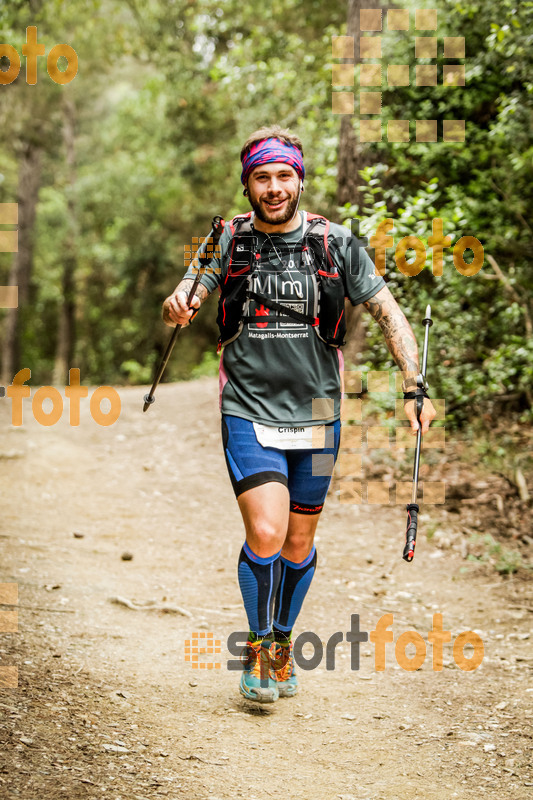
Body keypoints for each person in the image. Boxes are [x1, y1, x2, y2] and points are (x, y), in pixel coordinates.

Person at [162, 125, 436, 703]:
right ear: (248, 185)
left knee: (297, 541)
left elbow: (388, 312)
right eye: (262, 177)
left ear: (299, 179)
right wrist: (177, 304)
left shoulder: (337, 243)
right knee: (265, 530)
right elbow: (189, 291)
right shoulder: (225, 241)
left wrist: (415, 388)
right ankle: (259, 648)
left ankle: (283, 644)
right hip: (247, 405)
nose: (274, 187)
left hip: (317, 411)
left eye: (283, 175)